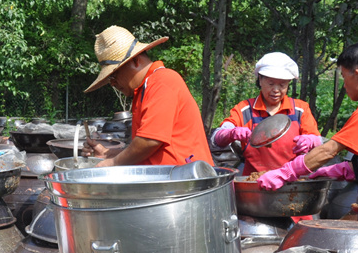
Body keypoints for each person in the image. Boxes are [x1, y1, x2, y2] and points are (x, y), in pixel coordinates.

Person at [257, 42, 358, 250]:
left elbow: (328, 150)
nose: (344, 85)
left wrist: (284, 173)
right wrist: (336, 171)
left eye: (344, 77)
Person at [82, 26, 213, 167]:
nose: (113, 83)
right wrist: (107, 154)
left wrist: (113, 162)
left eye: (114, 75)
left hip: (186, 177)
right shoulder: (144, 90)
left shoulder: (162, 81)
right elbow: (146, 150)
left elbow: (149, 141)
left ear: (136, 61)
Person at [210, 52, 320, 176]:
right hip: (254, 180)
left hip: (292, 179)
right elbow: (216, 139)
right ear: (260, 80)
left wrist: (310, 141)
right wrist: (231, 133)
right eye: (271, 84)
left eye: (282, 85)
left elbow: (318, 141)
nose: (276, 90)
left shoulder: (300, 109)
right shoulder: (245, 109)